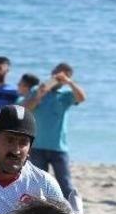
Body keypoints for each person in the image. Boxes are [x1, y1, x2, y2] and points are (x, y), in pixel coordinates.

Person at [25, 62, 86, 203]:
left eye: (62, 76)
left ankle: (73, 212)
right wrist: (39, 95)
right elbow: (26, 108)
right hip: (37, 146)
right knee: (38, 185)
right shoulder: (36, 89)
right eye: (56, 74)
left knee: (65, 184)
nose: (57, 78)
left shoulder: (65, 95)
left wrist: (69, 82)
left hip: (58, 147)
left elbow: (82, 98)